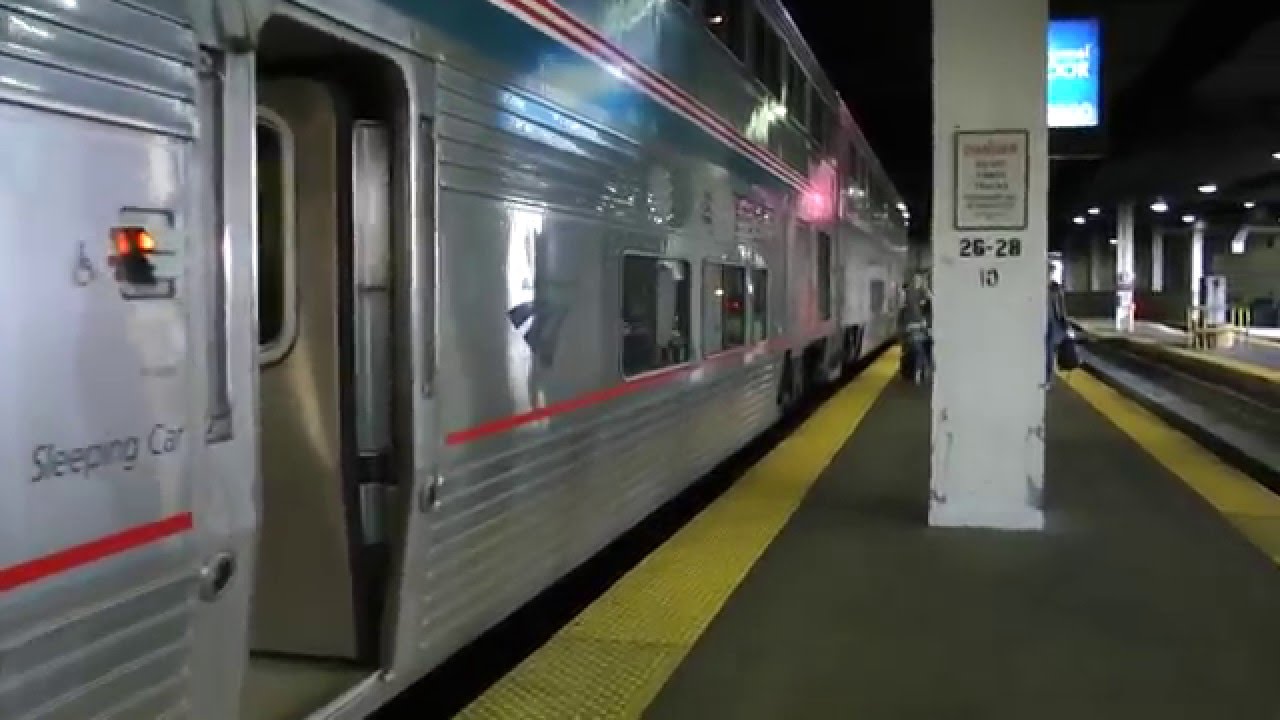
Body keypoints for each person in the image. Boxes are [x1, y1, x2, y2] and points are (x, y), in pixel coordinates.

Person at [1044, 266, 1069, 386]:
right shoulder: (1036, 287)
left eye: (1050, 272)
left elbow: (1062, 307)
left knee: (1049, 353)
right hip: (1040, 322)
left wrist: (1064, 322)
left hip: (1052, 324)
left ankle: (1048, 378)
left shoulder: (1056, 288)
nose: (1048, 274)